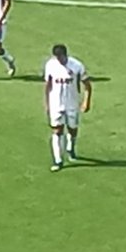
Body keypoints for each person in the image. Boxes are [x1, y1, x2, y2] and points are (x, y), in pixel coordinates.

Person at [43, 44, 91, 172]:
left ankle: (71, 147)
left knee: (72, 129)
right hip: (56, 104)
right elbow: (47, 85)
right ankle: (58, 160)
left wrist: (86, 102)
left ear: (65, 54)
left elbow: (87, 85)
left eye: (61, 57)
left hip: (72, 103)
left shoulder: (76, 65)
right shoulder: (50, 66)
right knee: (57, 130)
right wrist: (47, 103)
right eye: (57, 57)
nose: (59, 59)